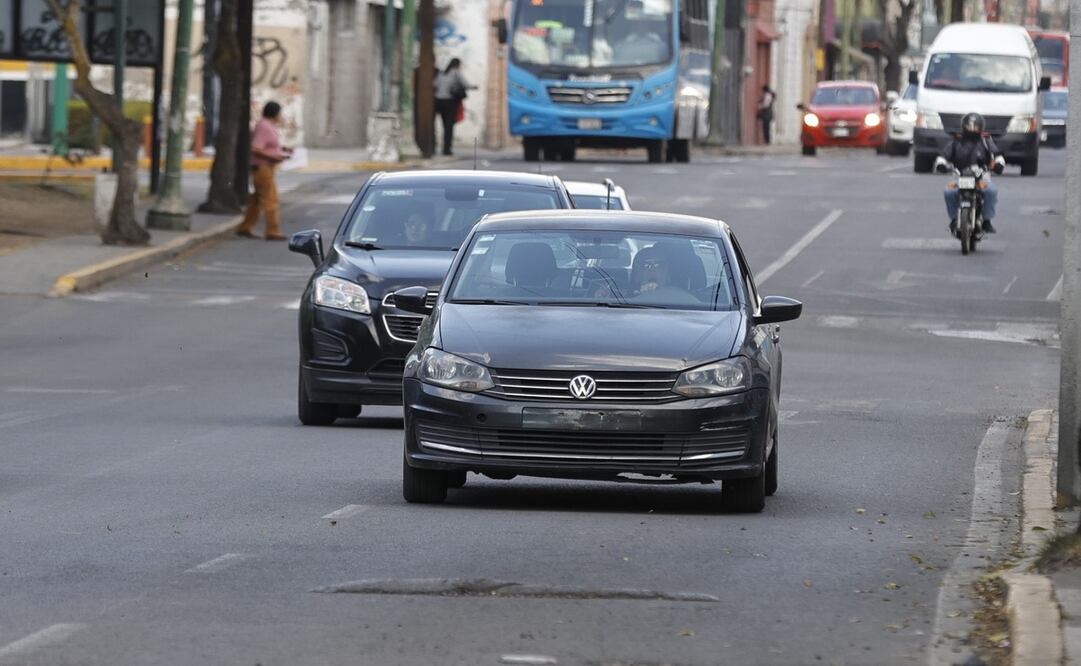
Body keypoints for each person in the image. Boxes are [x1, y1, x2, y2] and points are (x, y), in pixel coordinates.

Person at [939, 112, 1005, 234]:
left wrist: (999, 165)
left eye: (976, 126)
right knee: (948, 191)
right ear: (964, 126)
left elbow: (998, 155)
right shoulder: (956, 142)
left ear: (981, 128)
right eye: (970, 126)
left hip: (981, 178)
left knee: (991, 191)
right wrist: (941, 164)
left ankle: (986, 220)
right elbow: (943, 156)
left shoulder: (986, 142)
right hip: (959, 177)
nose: (972, 129)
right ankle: (954, 219)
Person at [237, 101, 292, 241]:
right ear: (275, 114)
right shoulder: (264, 126)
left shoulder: (268, 126)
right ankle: (272, 230)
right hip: (263, 168)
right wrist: (275, 156)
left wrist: (283, 150)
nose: (281, 116)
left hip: (267, 168)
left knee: (256, 199)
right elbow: (256, 148)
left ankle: (245, 226)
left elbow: (268, 145)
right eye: (280, 113)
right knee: (271, 199)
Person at [434, 59, 471, 156]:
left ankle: (440, 147)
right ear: (457, 65)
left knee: (444, 125)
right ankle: (447, 149)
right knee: (449, 126)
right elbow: (466, 84)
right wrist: (473, 87)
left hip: (439, 101)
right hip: (450, 102)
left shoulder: (442, 73)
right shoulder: (456, 72)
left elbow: (435, 85)